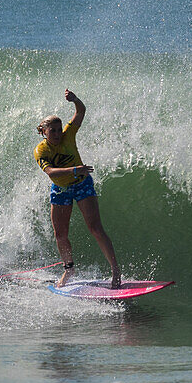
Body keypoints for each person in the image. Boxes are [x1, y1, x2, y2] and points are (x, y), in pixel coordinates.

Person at [34, 89, 121, 288]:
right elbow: (51, 172)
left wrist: (75, 100)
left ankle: (116, 272)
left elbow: (81, 112)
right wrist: (75, 169)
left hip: (82, 185)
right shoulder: (41, 150)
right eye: (52, 131)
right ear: (44, 132)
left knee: (96, 228)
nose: (57, 134)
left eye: (58, 129)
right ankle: (69, 269)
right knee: (60, 234)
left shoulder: (68, 134)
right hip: (61, 189)